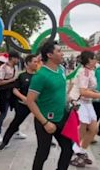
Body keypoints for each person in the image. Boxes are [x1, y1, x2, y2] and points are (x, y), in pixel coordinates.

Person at [27, 41, 74, 170]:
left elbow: (60, 91)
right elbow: (30, 101)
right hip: (45, 120)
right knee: (43, 153)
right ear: (49, 55)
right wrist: (45, 123)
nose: (62, 53)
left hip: (62, 117)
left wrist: (69, 101)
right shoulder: (40, 76)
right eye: (59, 51)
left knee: (68, 150)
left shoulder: (61, 70)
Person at [70, 51, 100, 167]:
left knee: (93, 129)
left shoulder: (91, 71)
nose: (96, 61)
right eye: (94, 58)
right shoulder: (84, 72)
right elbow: (83, 91)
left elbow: (87, 89)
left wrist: (95, 92)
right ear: (89, 60)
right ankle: (75, 152)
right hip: (80, 102)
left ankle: (81, 151)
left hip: (87, 103)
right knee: (82, 130)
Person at [0, 54, 38, 152]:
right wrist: (24, 98)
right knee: (15, 123)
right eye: (34, 62)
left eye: (37, 62)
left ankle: (48, 141)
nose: (36, 64)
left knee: (42, 122)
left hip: (37, 105)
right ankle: (5, 141)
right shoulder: (22, 76)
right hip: (23, 105)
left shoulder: (39, 76)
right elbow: (15, 89)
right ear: (28, 63)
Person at [0, 51, 26, 143]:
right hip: (5, 93)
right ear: (12, 58)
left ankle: (16, 131)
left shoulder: (15, 67)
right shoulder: (3, 67)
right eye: (17, 58)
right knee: (3, 113)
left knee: (18, 112)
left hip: (13, 93)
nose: (18, 60)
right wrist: (12, 80)